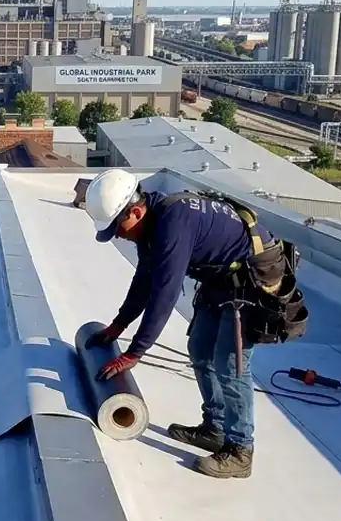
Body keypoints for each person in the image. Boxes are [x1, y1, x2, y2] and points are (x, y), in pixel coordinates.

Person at [83, 169, 298, 480]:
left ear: (135, 211)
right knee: (199, 347)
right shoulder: (151, 225)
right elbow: (145, 280)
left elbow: (164, 294)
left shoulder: (173, 224)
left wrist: (134, 353)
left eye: (117, 226)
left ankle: (240, 449)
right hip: (220, 279)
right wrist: (118, 325)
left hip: (251, 281)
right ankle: (215, 428)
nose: (118, 234)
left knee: (230, 364)